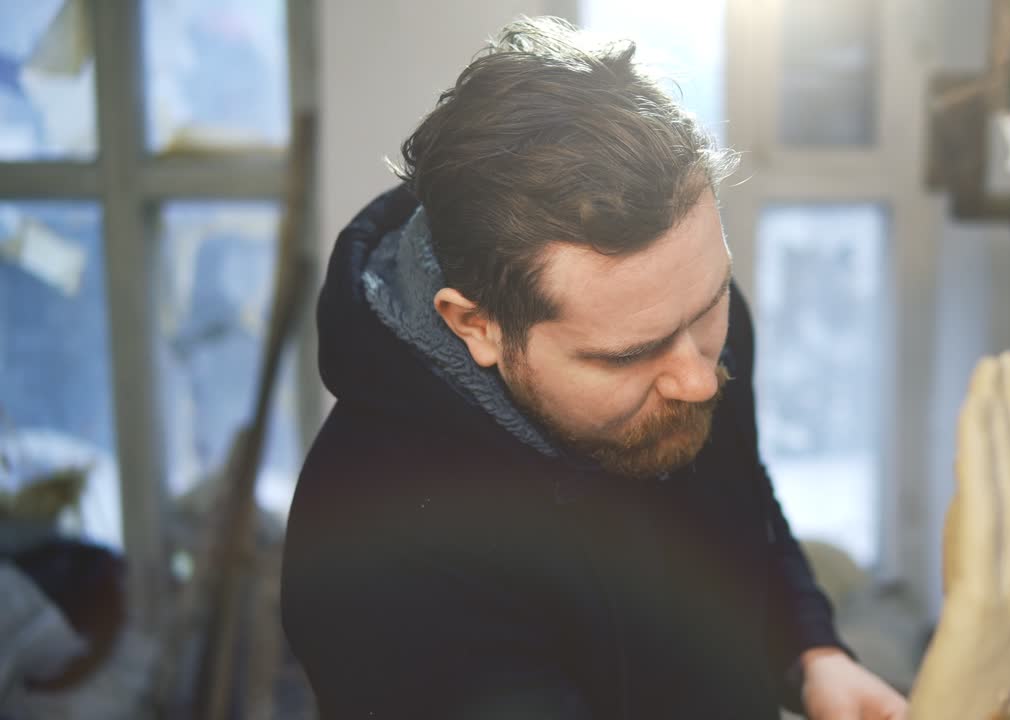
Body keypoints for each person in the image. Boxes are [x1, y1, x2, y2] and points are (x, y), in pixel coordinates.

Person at [280, 16, 906, 720]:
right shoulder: (380, 560)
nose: (700, 379)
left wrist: (810, 651)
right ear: (475, 324)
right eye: (630, 355)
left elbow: (740, 501)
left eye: (709, 306)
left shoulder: (679, 325)